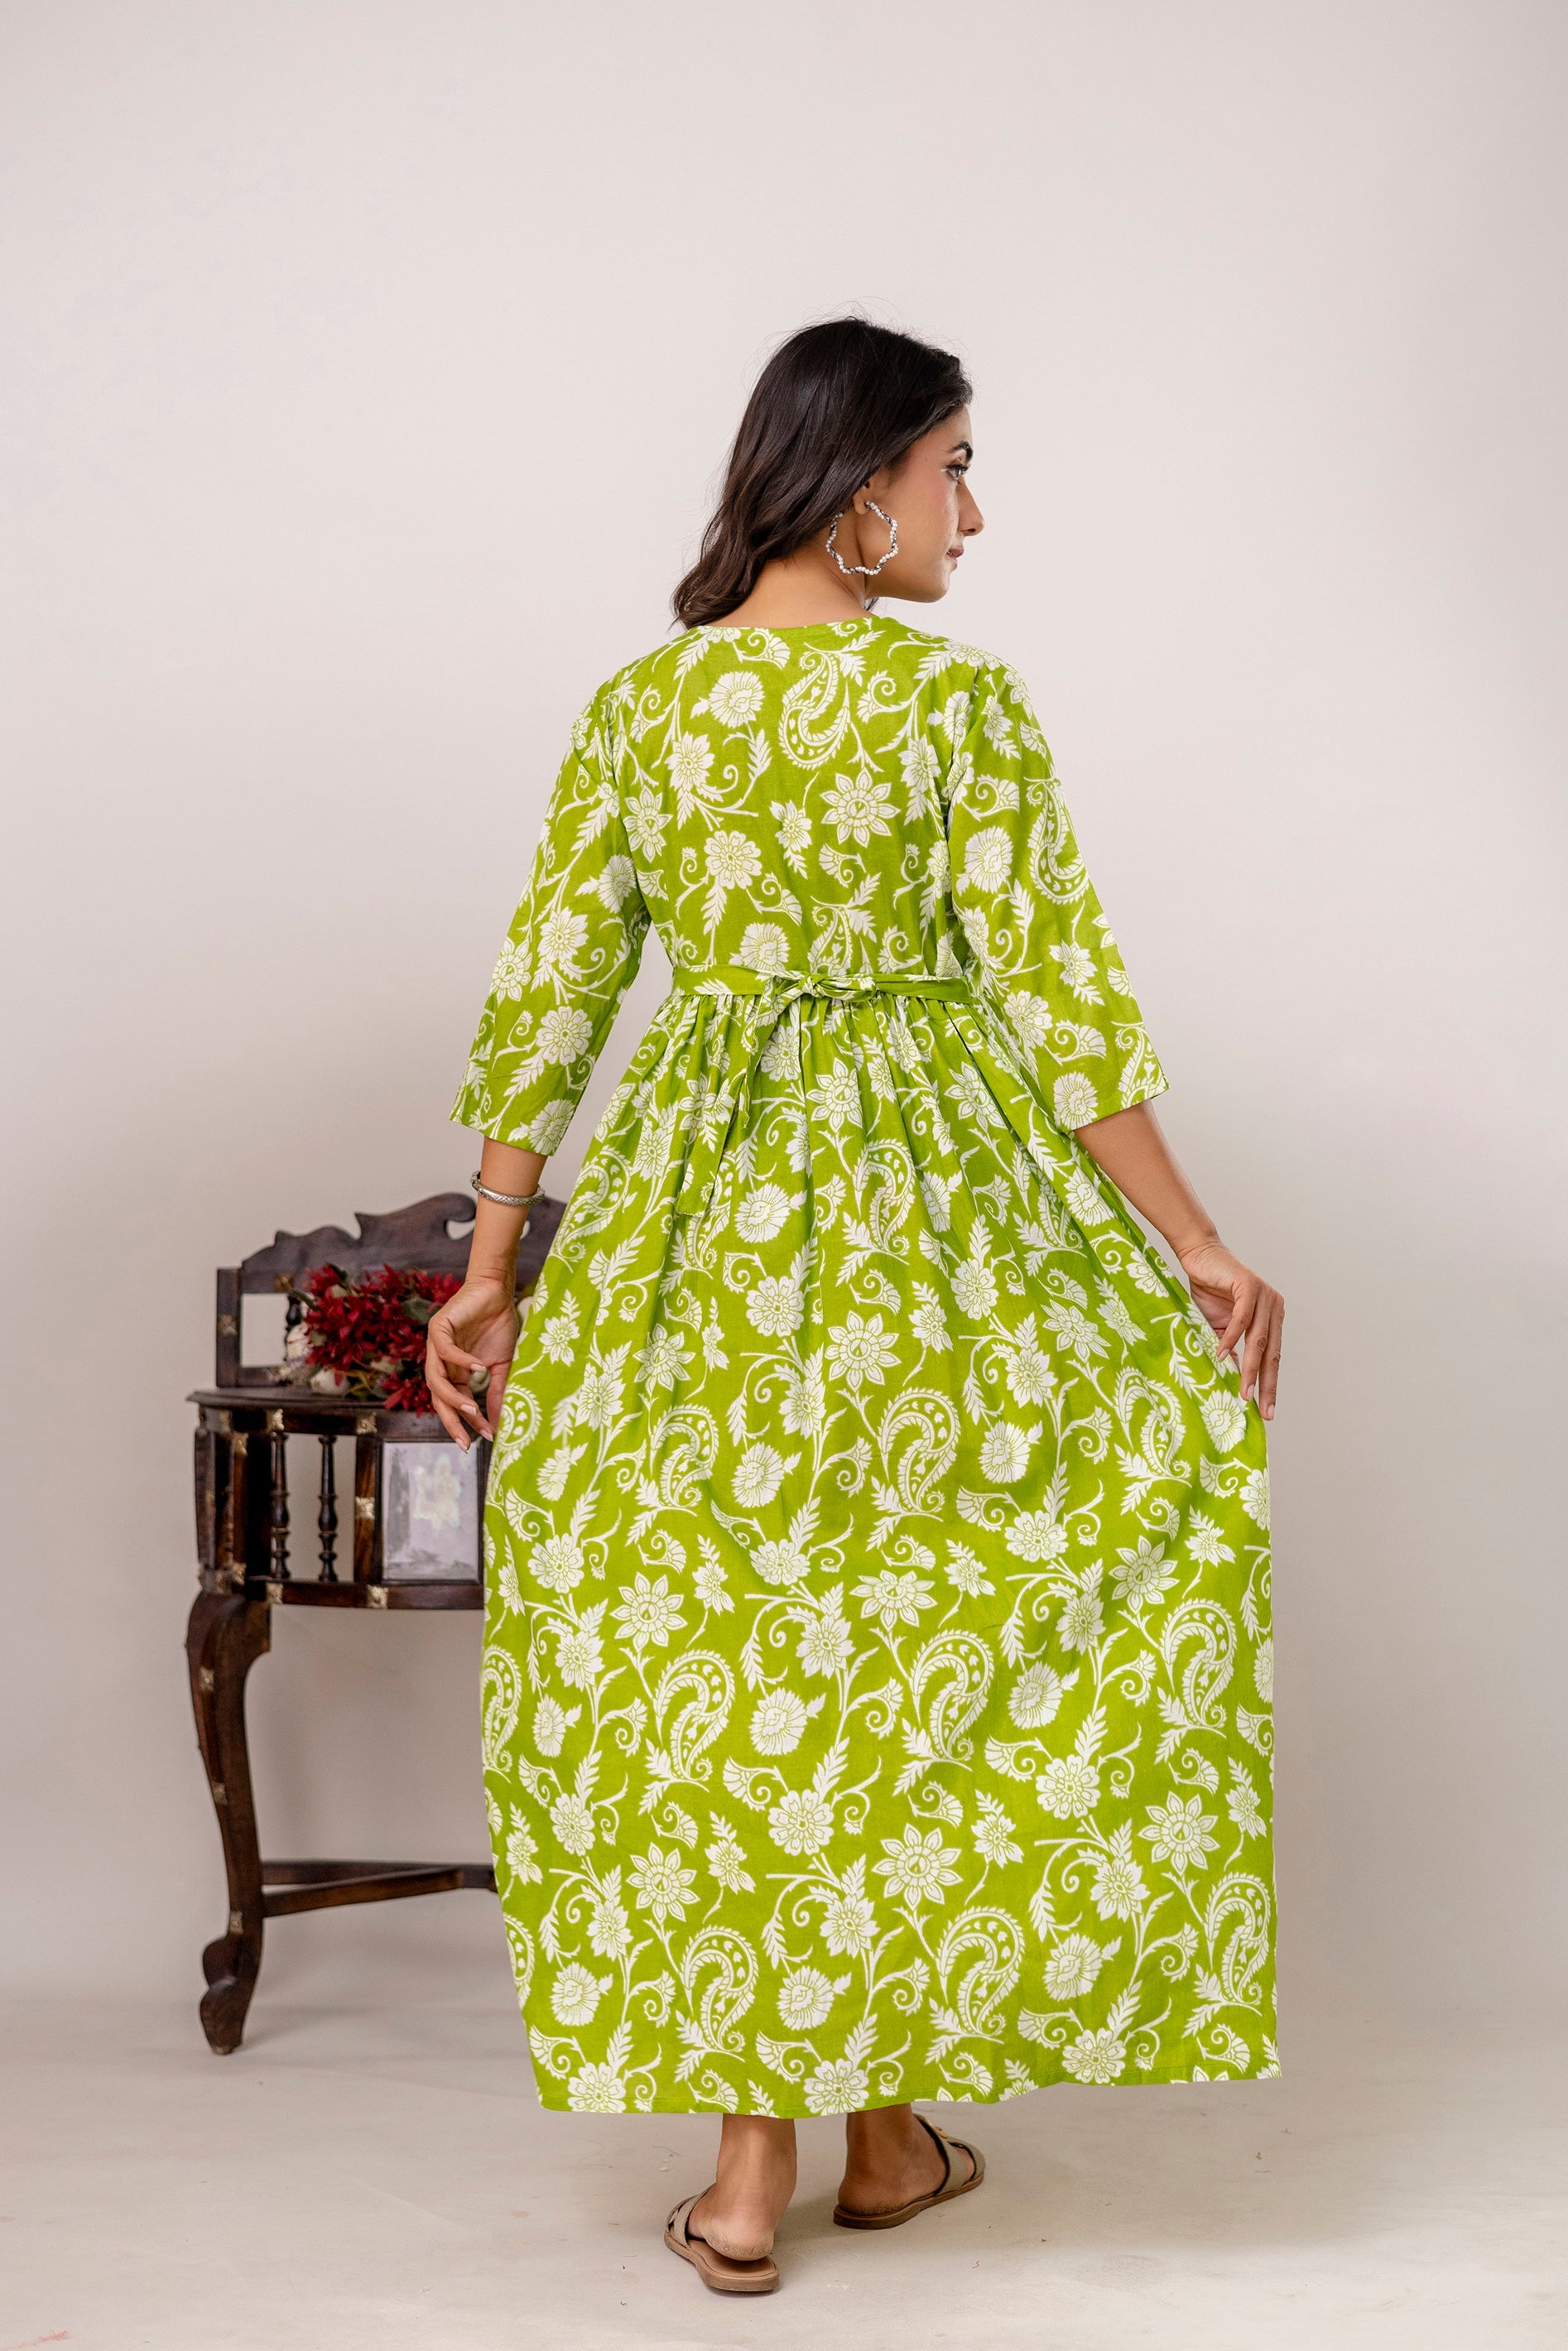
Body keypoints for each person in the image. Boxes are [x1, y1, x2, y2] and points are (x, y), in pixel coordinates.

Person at [426, 318, 1282, 2297]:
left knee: (733, 1645)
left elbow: (550, 995)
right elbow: (1059, 999)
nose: (970, 514)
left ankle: (813, 2156)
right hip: (938, 1231)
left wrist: (488, 1263)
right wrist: (1191, 1242)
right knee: (919, 1626)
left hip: (695, 1238)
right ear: (855, 483)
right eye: (951, 467)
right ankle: (825, 2140)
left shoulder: (643, 711)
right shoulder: (951, 708)